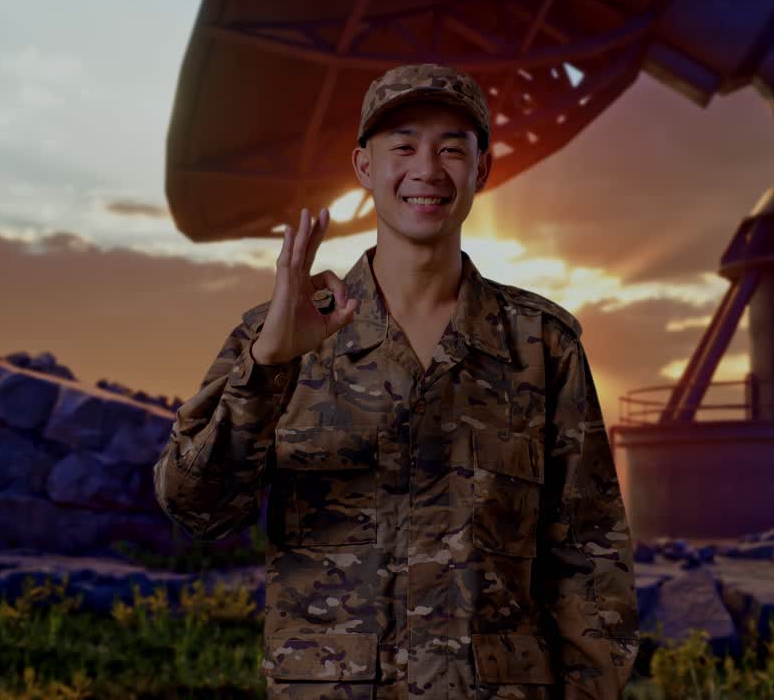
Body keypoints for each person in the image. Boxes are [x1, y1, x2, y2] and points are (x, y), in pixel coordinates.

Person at [153, 63, 638, 699]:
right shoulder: (278, 335)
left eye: (452, 148)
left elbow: (590, 565)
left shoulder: (541, 345)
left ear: (483, 170)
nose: (427, 170)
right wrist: (267, 368)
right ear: (363, 167)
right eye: (403, 146)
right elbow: (196, 509)